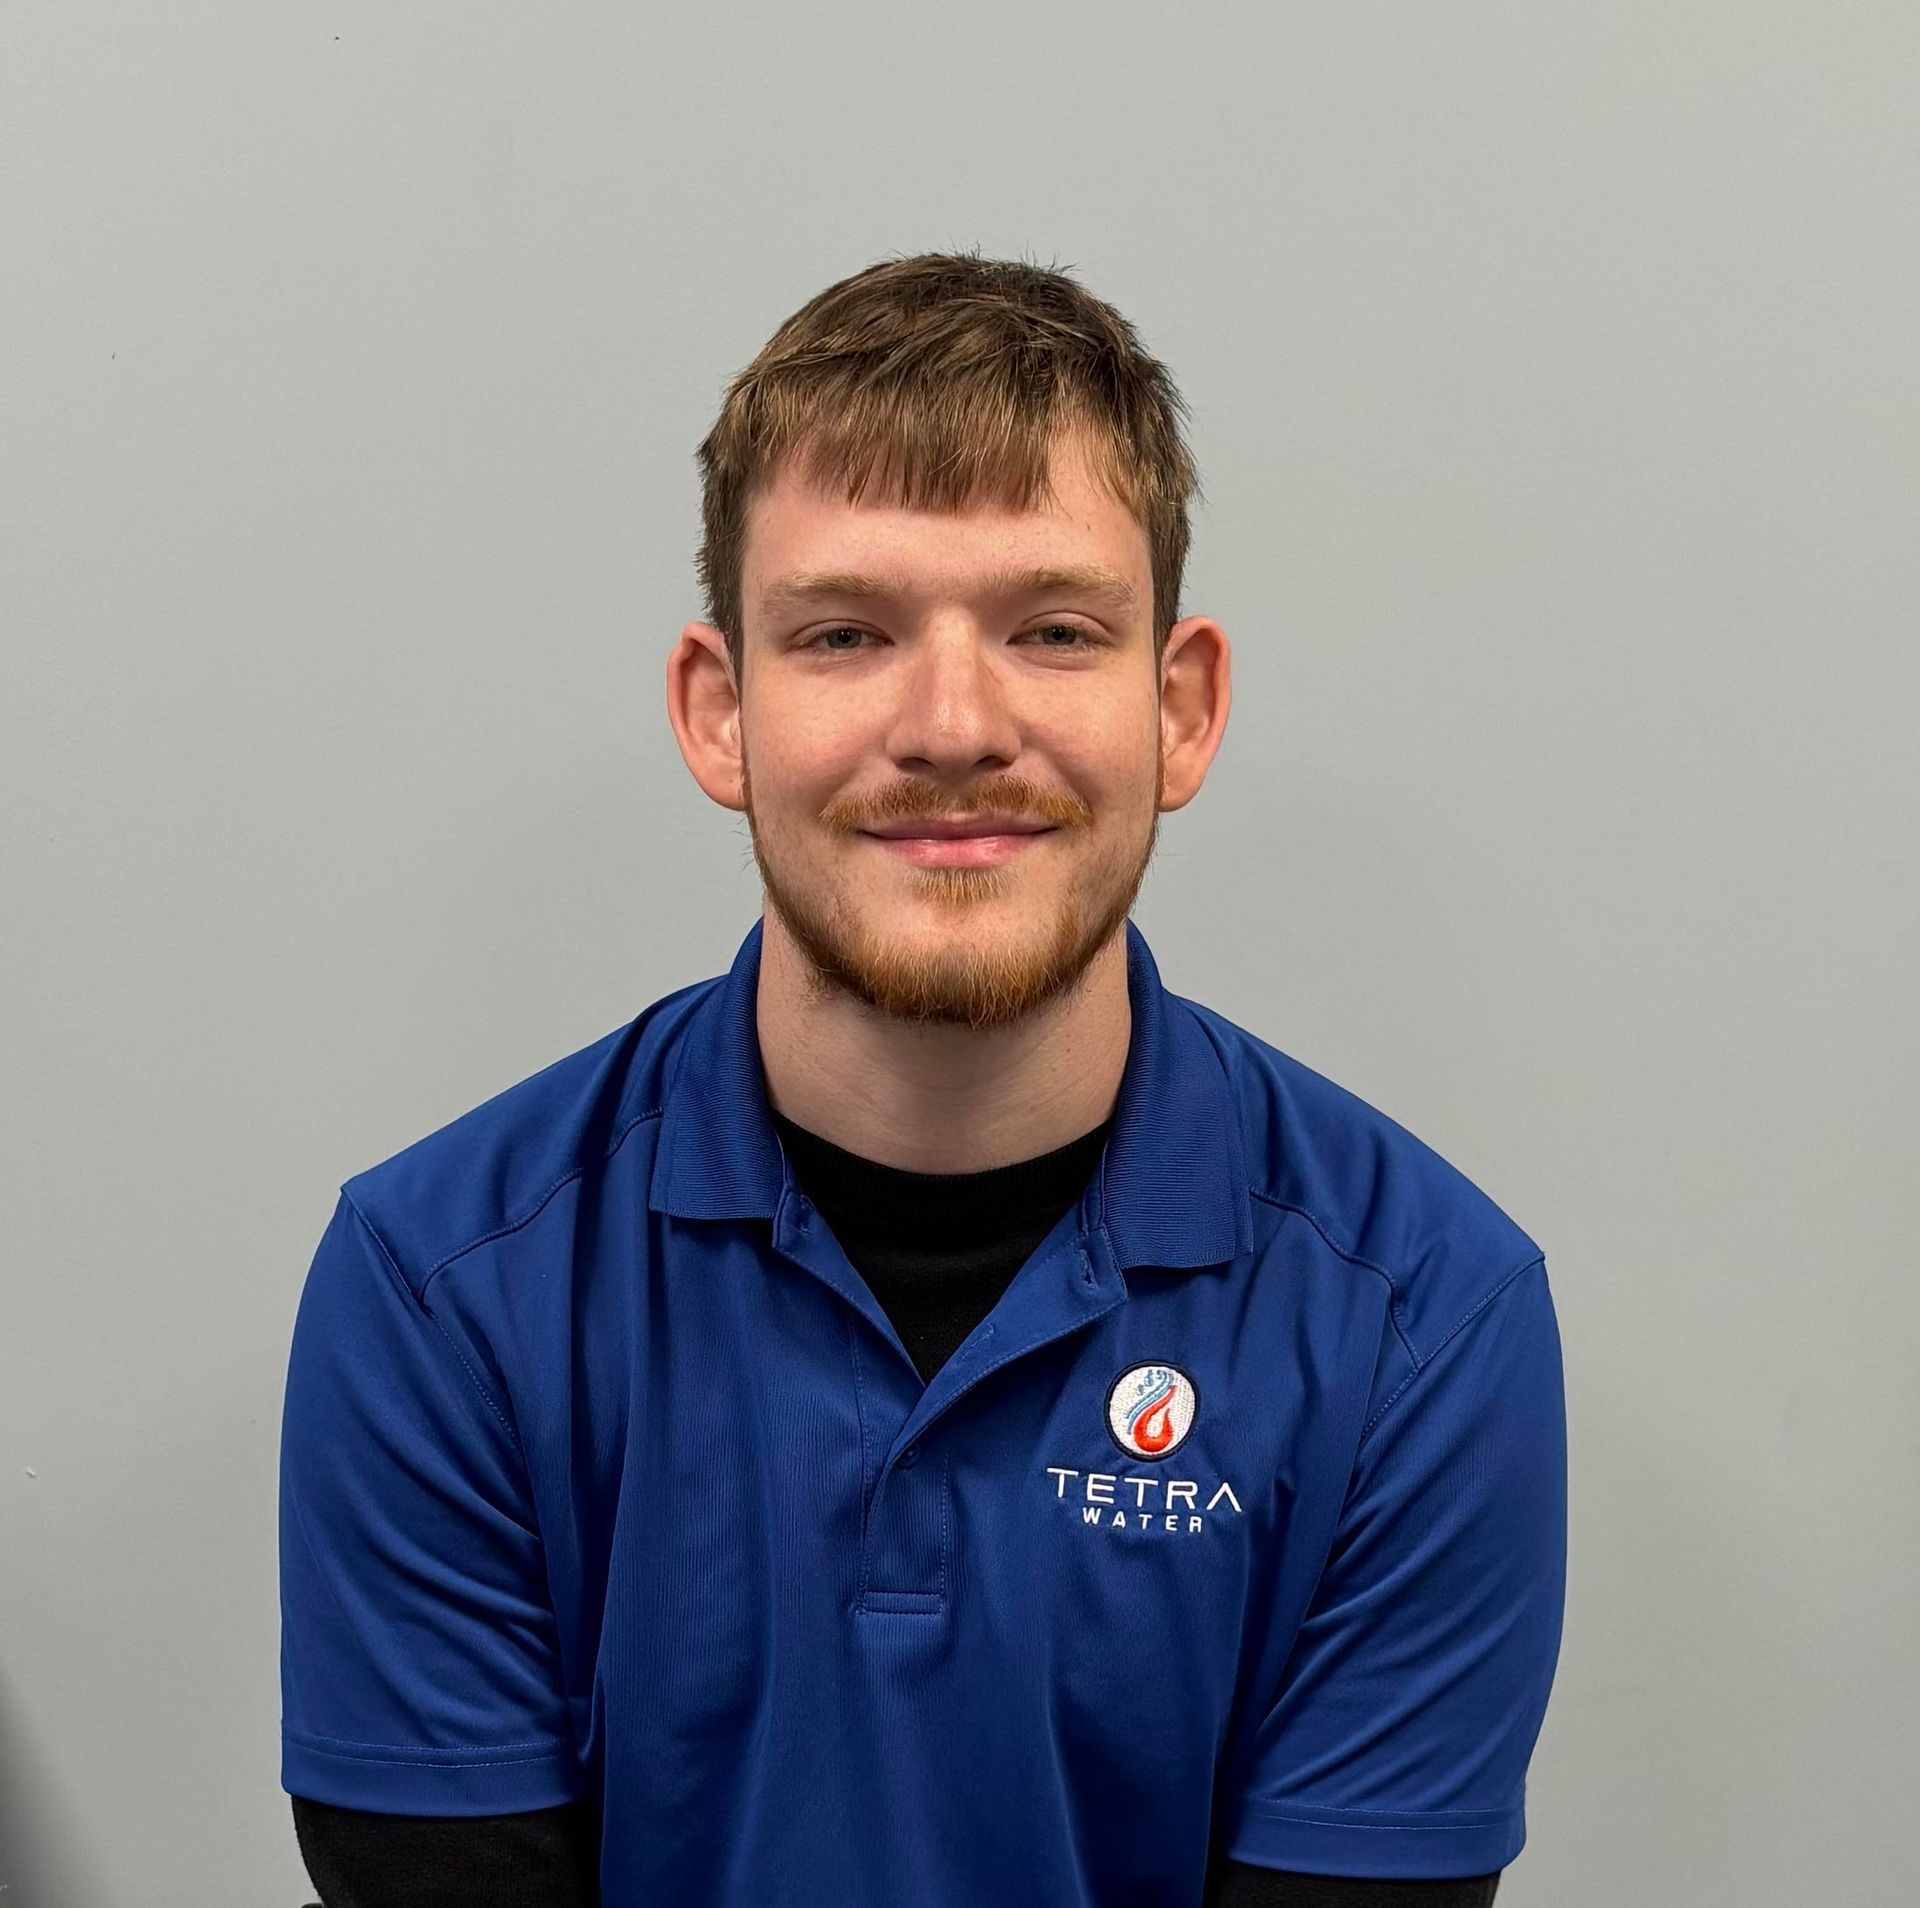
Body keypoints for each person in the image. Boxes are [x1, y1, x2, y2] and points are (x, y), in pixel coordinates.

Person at [280, 250, 1566, 1908]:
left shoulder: (1423, 1323)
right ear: (720, 710)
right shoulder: (439, 1291)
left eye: (1051, 629)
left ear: (1180, 711)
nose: (953, 723)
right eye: (844, 633)